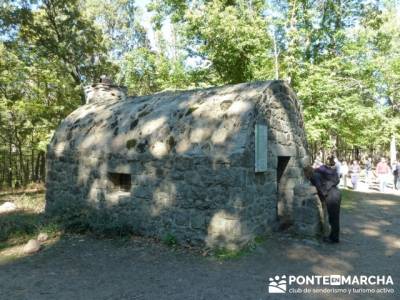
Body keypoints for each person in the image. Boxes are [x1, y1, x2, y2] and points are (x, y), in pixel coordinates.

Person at [304, 157, 341, 243]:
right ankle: (333, 236)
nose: (305, 176)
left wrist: (323, 197)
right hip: (336, 192)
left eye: (304, 174)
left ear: (307, 173)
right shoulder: (318, 173)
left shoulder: (314, 176)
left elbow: (320, 188)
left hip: (332, 196)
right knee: (334, 217)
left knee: (333, 218)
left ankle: (334, 239)